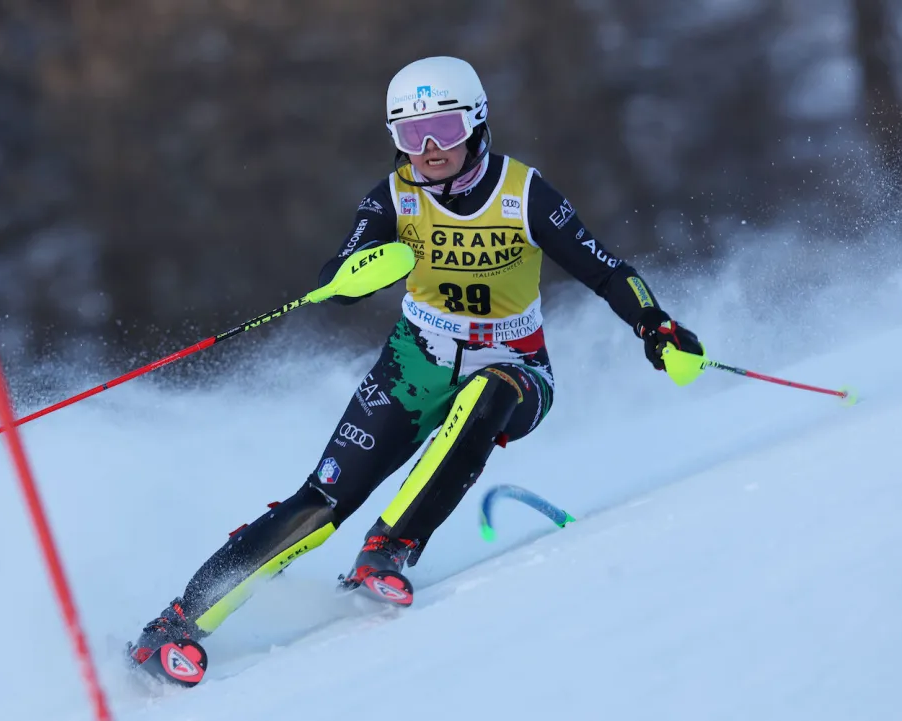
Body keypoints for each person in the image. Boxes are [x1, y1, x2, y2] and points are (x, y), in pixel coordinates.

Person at [128, 56, 704, 685]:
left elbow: (605, 268)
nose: (429, 150)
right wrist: (350, 278)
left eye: (446, 131)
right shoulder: (393, 198)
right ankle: (174, 627)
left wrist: (657, 327)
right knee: (319, 504)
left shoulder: (524, 193)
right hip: (413, 362)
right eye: (411, 136)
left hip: (516, 364)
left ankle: (389, 547)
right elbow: (339, 275)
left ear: (478, 125)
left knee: (489, 393)